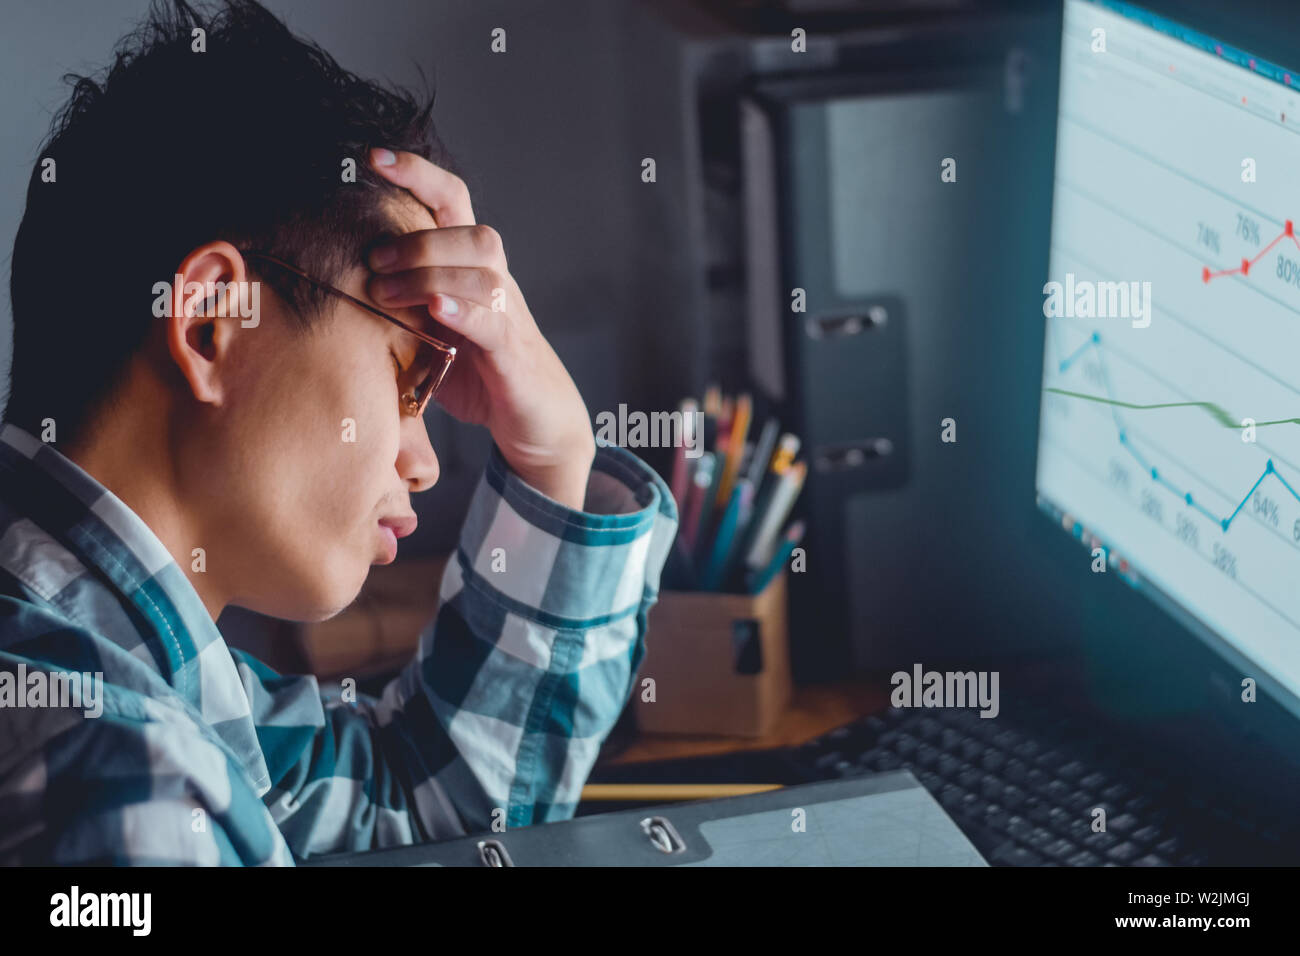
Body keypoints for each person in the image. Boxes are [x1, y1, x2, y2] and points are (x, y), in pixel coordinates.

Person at [0, 0, 676, 864]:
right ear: (214, 320)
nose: (425, 462)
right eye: (410, 377)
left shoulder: (119, 672)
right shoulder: (123, 780)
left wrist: (554, 459)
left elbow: (417, 805)